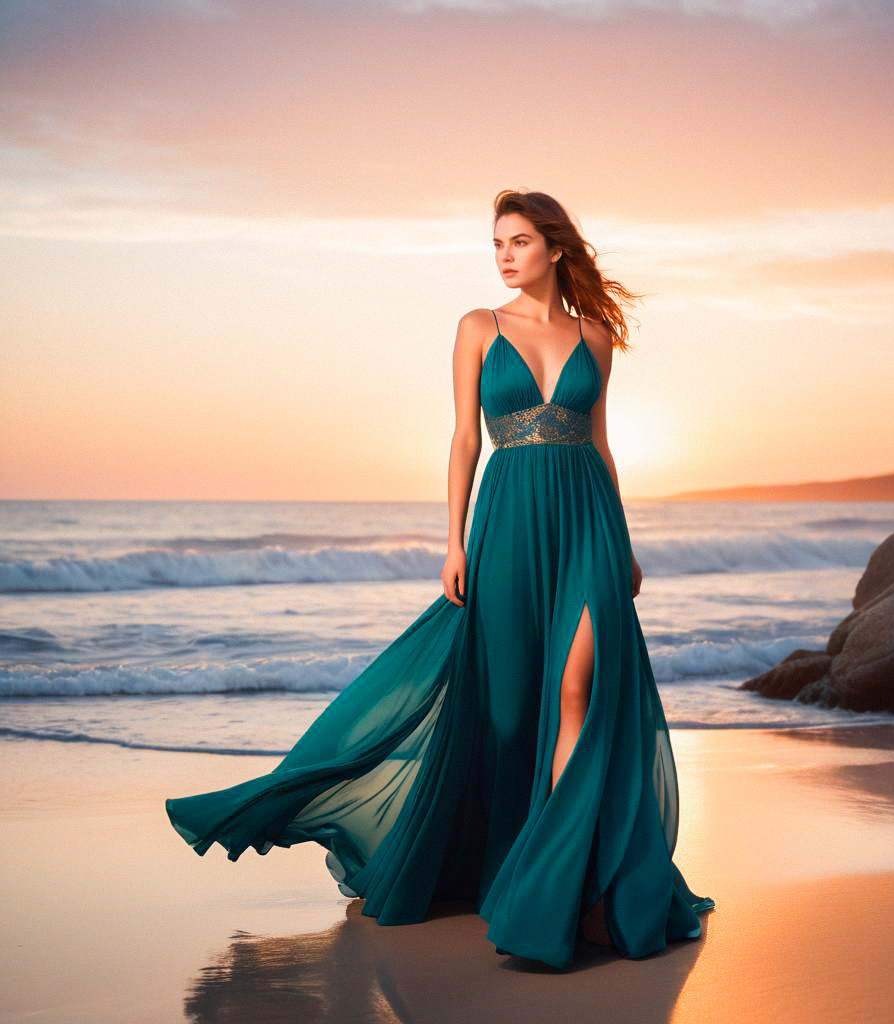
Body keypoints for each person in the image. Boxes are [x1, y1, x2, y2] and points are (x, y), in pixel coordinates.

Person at [165, 188, 715, 970]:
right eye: (497, 243)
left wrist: (622, 540)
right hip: (507, 524)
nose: (504, 255)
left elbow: (600, 444)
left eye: (519, 242)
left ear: (555, 249)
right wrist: (452, 542)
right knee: (506, 711)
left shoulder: (596, 335)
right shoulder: (476, 328)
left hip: (588, 525)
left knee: (577, 694)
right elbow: (464, 441)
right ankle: (498, 860)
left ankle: (563, 889)